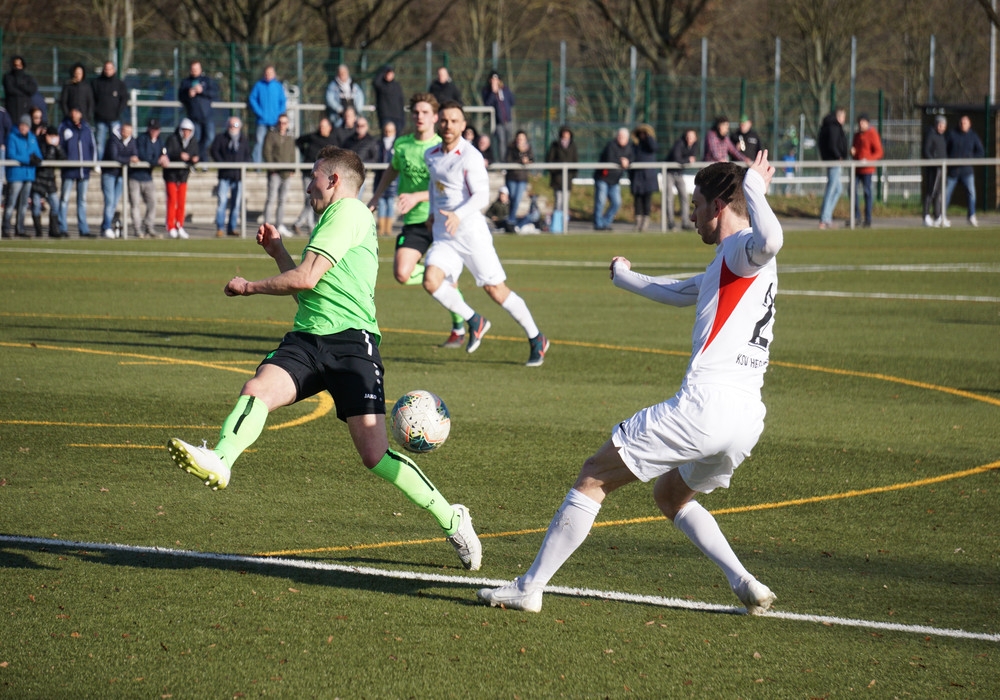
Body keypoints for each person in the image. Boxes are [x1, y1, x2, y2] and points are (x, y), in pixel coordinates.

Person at [478, 151, 783, 615]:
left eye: (697, 204)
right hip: (746, 418)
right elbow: (686, 290)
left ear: (719, 206)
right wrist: (627, 278)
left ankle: (529, 586)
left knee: (593, 476)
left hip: (706, 407)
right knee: (670, 495)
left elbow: (773, 239)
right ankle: (745, 582)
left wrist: (755, 187)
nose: (692, 215)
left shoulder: (743, 245)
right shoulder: (732, 261)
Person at [166, 145, 482, 572]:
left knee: (375, 455)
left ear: (333, 179)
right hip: (309, 338)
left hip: (354, 343)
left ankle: (451, 517)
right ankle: (220, 460)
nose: (308, 183)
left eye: (314, 175)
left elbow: (307, 277)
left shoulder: (348, 213)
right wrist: (278, 253)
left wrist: (249, 287)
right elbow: (309, 287)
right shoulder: (333, 219)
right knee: (257, 389)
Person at [422, 101, 550, 366]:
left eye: (454, 121)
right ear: (438, 122)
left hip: (471, 234)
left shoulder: (470, 156)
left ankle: (537, 337)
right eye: (444, 120)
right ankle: (474, 320)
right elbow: (437, 189)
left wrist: (458, 215)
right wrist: (432, 212)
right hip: (445, 235)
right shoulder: (431, 154)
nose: (448, 126)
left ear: (463, 125)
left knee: (496, 290)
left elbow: (481, 195)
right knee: (431, 280)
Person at [365, 92, 467, 348]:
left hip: (441, 220)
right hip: (414, 221)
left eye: (424, 113)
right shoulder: (403, 145)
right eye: (415, 112)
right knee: (402, 273)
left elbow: (447, 185)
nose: (419, 117)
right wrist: (376, 197)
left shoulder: (442, 147)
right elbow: (393, 169)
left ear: (435, 117)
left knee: (436, 275)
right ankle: (443, 280)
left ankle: (460, 327)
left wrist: (418, 196)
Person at [293, 117, 338, 235]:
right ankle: (303, 224)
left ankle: (309, 224)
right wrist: (305, 153)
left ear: (330, 128)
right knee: (309, 199)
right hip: (308, 173)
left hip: (323, 177)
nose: (321, 129)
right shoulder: (313, 137)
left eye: (324, 126)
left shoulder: (333, 140)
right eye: (320, 126)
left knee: (317, 200)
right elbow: (298, 141)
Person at [58, 107, 97, 237]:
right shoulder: (64, 127)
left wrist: (93, 163)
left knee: (82, 200)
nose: (74, 114)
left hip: (83, 170)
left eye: (77, 112)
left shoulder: (86, 128)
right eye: (73, 112)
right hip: (69, 170)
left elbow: (93, 147)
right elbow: (60, 146)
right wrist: (65, 160)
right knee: (64, 199)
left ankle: (83, 229)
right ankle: (62, 228)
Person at [3, 114, 43, 239]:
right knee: (11, 203)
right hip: (16, 175)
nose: (23, 128)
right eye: (22, 125)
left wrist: (37, 159)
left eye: (26, 125)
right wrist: (28, 159)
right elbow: (11, 154)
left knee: (23, 204)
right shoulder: (12, 137)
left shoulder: (32, 138)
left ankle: (19, 228)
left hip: (28, 174)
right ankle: (5, 228)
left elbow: (38, 154)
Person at [210, 116, 251, 237]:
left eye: (236, 125)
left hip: (238, 176)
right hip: (224, 175)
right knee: (222, 202)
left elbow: (247, 154)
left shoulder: (243, 139)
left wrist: (244, 165)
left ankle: (232, 228)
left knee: (236, 203)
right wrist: (223, 164)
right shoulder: (220, 138)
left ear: (240, 127)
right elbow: (214, 151)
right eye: (231, 125)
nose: (233, 128)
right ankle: (220, 227)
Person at [943, 115, 985, 228]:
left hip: (967, 171)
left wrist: (971, 159)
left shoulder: (973, 136)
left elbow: (981, 152)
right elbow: (945, 150)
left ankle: (971, 215)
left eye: (965, 123)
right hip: (953, 171)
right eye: (961, 122)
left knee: (971, 194)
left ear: (969, 124)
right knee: (946, 193)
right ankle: (942, 216)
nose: (963, 125)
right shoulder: (952, 134)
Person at [130, 117, 169, 238]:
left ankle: (149, 227)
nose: (154, 132)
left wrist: (164, 157)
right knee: (135, 204)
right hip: (135, 177)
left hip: (148, 177)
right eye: (152, 129)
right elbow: (143, 155)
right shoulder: (142, 139)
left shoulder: (159, 141)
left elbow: (164, 152)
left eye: (156, 129)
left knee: (152, 203)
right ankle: (137, 229)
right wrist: (157, 161)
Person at [99, 122, 139, 238]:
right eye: (125, 131)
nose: (127, 134)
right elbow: (114, 156)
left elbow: (135, 154)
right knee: (110, 202)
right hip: (109, 174)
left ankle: (105, 226)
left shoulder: (132, 141)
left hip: (121, 175)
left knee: (114, 202)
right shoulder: (113, 140)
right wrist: (129, 159)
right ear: (121, 130)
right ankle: (106, 227)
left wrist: (131, 158)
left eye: (129, 132)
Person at [163, 118, 200, 239]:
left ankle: (179, 225)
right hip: (171, 175)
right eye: (184, 130)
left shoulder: (193, 141)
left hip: (183, 176)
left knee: (181, 202)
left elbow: (196, 153)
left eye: (189, 131)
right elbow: (169, 153)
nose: (186, 133)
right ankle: (170, 226)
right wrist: (179, 155)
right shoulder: (172, 139)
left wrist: (194, 158)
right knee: (172, 200)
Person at [178, 61, 220, 161]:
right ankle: (200, 160)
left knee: (210, 138)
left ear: (200, 69)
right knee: (195, 139)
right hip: (193, 116)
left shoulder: (207, 80)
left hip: (207, 116)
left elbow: (215, 93)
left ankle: (200, 155)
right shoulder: (186, 82)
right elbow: (180, 96)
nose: (194, 71)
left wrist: (202, 91)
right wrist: (188, 95)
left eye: (196, 69)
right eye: (193, 69)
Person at [262, 113, 296, 237]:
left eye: (285, 123)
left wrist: (293, 168)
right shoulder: (271, 135)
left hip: (286, 173)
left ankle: (279, 224)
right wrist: (272, 168)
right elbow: (267, 152)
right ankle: (266, 225)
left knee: (282, 200)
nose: (282, 125)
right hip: (274, 172)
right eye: (280, 122)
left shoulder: (290, 137)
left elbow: (292, 153)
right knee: (271, 199)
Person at [593, 127, 633, 230]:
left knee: (617, 202)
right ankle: (598, 224)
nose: (620, 138)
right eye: (619, 136)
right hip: (603, 178)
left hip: (614, 181)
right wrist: (621, 161)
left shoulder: (629, 148)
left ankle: (606, 222)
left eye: (623, 137)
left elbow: (632, 157)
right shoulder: (611, 145)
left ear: (627, 138)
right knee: (600, 201)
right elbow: (610, 158)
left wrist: (628, 161)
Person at [32, 125, 66, 238]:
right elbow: (44, 158)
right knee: (36, 204)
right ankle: (39, 231)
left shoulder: (56, 146)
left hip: (50, 179)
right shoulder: (40, 144)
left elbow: (63, 158)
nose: (52, 138)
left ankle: (53, 230)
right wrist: (50, 146)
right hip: (39, 178)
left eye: (54, 136)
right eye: (50, 136)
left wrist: (57, 147)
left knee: (55, 204)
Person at [248, 65, 287, 164]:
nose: (268, 75)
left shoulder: (278, 86)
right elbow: (252, 99)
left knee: (275, 143)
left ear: (274, 74)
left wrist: (278, 114)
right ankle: (257, 166)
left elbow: (283, 101)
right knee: (259, 142)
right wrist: (260, 112)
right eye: (266, 73)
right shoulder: (258, 85)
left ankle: (275, 165)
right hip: (262, 121)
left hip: (275, 121)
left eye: (270, 73)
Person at [817, 108, 848, 229]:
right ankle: (824, 219)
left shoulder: (830, 126)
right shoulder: (834, 127)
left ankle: (827, 216)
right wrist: (838, 156)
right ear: (839, 116)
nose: (844, 119)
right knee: (831, 189)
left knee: (838, 189)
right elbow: (833, 144)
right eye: (843, 116)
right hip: (834, 161)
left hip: (832, 160)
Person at [851, 113, 883, 228]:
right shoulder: (857, 135)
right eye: (859, 122)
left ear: (867, 123)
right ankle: (857, 216)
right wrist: (853, 153)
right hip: (857, 168)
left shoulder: (872, 134)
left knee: (867, 192)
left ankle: (868, 218)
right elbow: (855, 150)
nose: (861, 124)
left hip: (867, 169)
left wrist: (868, 160)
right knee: (852, 190)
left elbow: (879, 152)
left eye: (863, 122)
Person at [91, 61, 128, 158]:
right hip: (100, 119)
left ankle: (115, 162)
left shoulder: (119, 84)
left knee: (116, 142)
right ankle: (98, 165)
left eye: (110, 68)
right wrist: (96, 111)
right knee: (100, 143)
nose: (108, 71)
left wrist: (118, 112)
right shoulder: (96, 83)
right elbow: (91, 99)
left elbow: (124, 99)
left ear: (114, 70)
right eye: (106, 68)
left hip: (115, 119)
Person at [666, 128, 698, 231]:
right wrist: (688, 160)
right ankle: (670, 223)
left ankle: (685, 222)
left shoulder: (694, 145)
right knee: (669, 198)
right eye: (688, 137)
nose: (690, 139)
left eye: (692, 137)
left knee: (685, 196)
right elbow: (677, 158)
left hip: (679, 173)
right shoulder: (679, 144)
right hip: (669, 173)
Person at [630, 123, 659, 232]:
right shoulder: (635, 145)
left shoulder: (650, 144)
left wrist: (648, 137)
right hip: (637, 175)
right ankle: (637, 221)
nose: (642, 135)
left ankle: (645, 222)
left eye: (644, 133)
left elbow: (654, 147)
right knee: (637, 200)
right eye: (640, 133)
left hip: (648, 176)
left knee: (647, 200)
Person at [503, 130, 534, 232]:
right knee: (512, 198)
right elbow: (508, 160)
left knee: (517, 199)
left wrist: (526, 159)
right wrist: (520, 159)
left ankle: (511, 221)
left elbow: (532, 159)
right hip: (511, 177)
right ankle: (510, 220)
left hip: (522, 178)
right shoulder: (511, 148)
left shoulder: (528, 149)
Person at [481, 72, 514, 164]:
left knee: (510, 142)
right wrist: (493, 93)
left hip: (508, 121)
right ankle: (503, 163)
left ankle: (510, 160)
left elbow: (512, 101)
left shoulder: (505, 90)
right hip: (498, 122)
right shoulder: (486, 91)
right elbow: (487, 104)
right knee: (501, 142)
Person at [545, 126, 578, 219]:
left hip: (568, 178)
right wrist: (555, 172)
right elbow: (549, 160)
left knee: (565, 202)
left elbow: (575, 161)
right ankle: (557, 224)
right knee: (558, 201)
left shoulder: (573, 146)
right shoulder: (555, 145)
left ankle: (564, 223)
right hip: (557, 178)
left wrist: (573, 175)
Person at [921, 115, 948, 228]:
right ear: (936, 124)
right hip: (934, 169)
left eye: (943, 125)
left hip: (942, 168)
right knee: (931, 191)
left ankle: (938, 217)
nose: (941, 127)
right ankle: (926, 215)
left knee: (939, 193)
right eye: (940, 125)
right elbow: (926, 151)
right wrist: (933, 162)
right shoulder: (931, 135)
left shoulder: (942, 137)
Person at [373, 121, 398, 237]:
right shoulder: (379, 144)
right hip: (380, 179)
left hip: (393, 181)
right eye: (386, 131)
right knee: (382, 203)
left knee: (390, 203)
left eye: (390, 131)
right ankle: (381, 228)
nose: (388, 133)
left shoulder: (397, 145)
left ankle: (388, 228)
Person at [325, 64, 365, 128]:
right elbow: (329, 99)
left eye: (344, 72)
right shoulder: (332, 86)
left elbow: (360, 97)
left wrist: (357, 110)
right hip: (338, 117)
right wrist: (340, 110)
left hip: (353, 116)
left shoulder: (354, 86)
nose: (343, 74)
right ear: (337, 74)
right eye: (341, 73)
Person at [3, 56, 39, 121]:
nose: (18, 67)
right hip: (12, 109)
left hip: (25, 108)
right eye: (16, 65)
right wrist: (24, 93)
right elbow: (10, 89)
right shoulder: (8, 77)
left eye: (20, 65)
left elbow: (32, 89)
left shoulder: (28, 78)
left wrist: (21, 86)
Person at [372, 65, 405, 132]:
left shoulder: (397, 86)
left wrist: (403, 118)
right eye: (387, 73)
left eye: (391, 73)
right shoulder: (381, 85)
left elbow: (400, 101)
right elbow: (375, 82)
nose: (389, 75)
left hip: (397, 117)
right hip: (385, 116)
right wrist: (382, 71)